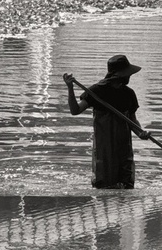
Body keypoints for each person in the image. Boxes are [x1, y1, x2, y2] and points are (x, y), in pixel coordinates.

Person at [63, 55, 149, 189]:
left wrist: (141, 133)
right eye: (127, 73)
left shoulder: (129, 94)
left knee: (126, 184)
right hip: (104, 147)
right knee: (104, 185)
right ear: (117, 74)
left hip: (124, 147)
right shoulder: (96, 91)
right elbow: (75, 110)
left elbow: (132, 119)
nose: (129, 76)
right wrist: (70, 88)